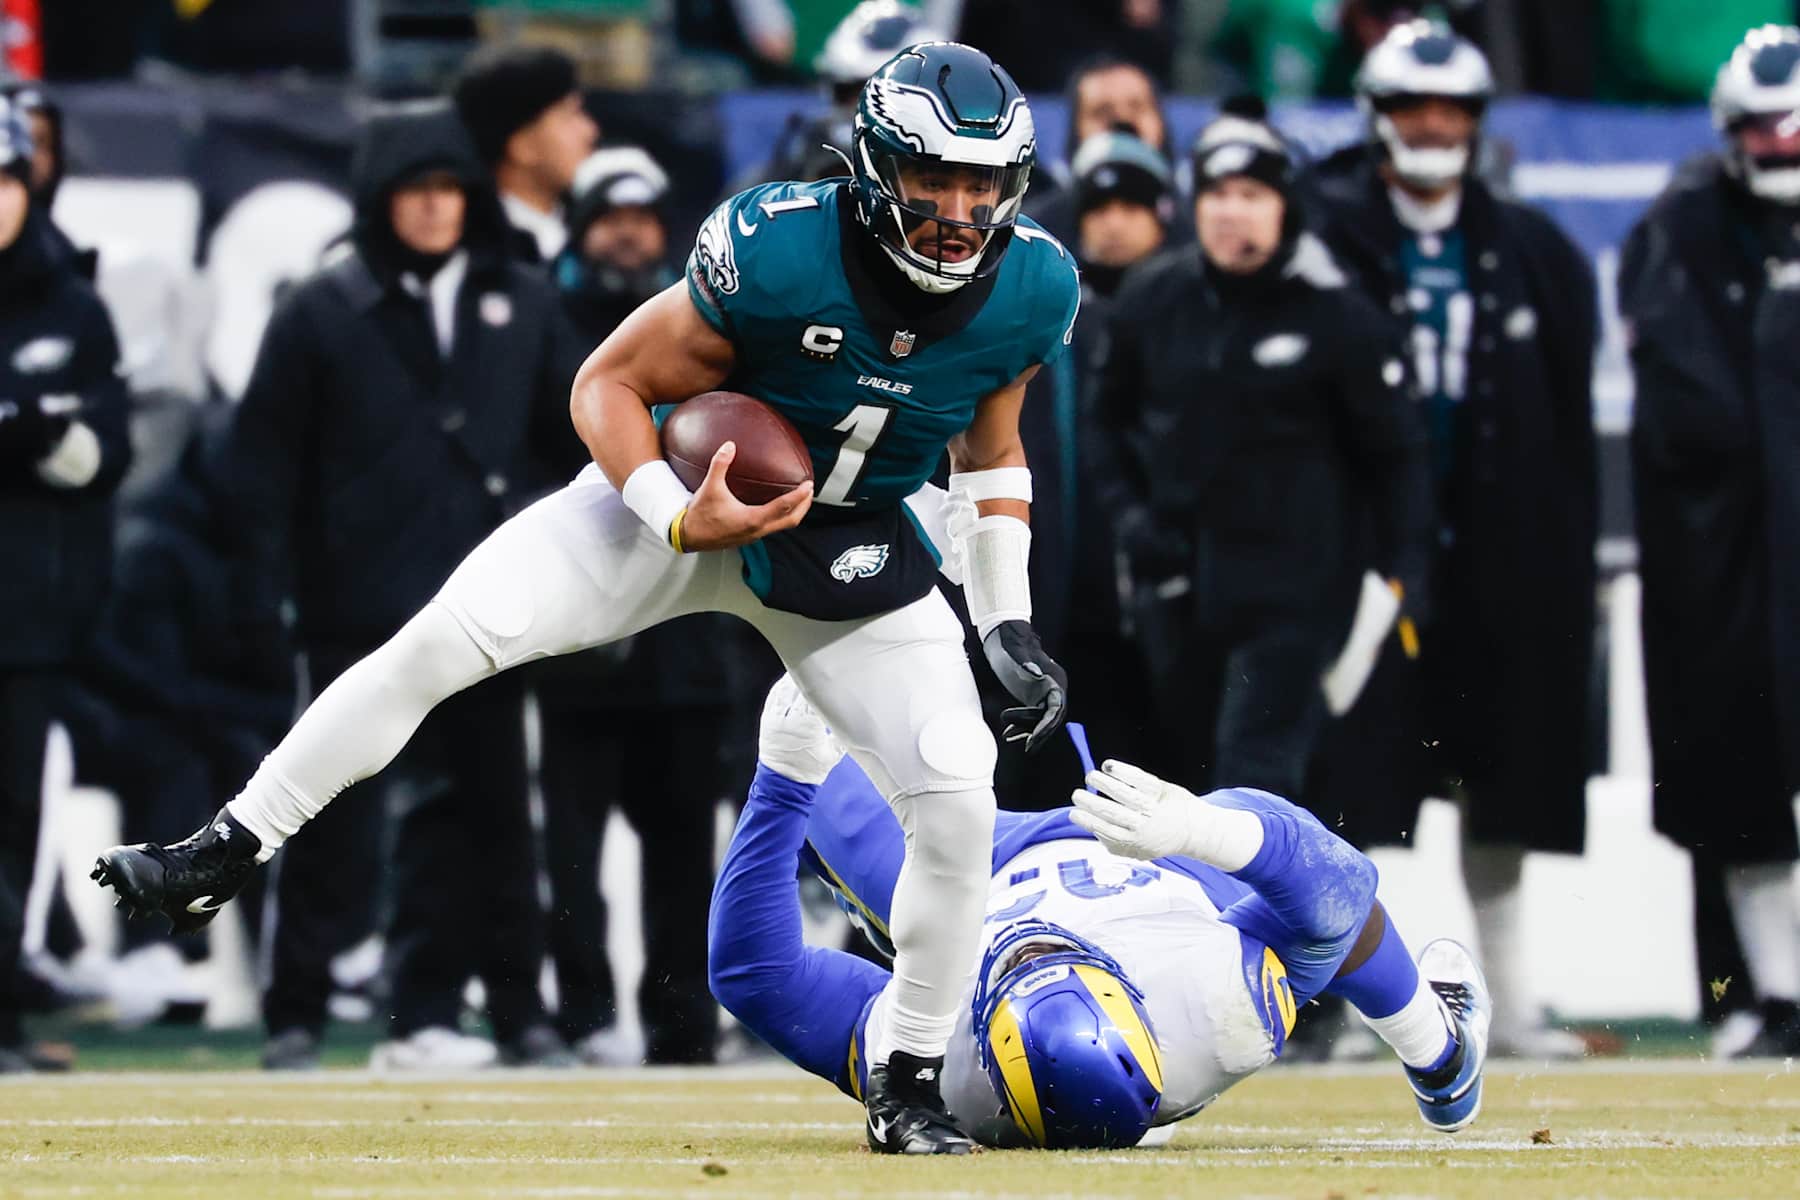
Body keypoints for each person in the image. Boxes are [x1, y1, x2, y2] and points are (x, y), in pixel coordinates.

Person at [95, 42, 1076, 1153]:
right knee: (445, 639)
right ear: (872, 166)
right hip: (674, 496)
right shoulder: (782, 243)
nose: (956, 209)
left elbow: (994, 459)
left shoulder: (1034, 284)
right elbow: (606, 383)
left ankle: (906, 1082)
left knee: (957, 791)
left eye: (979, 184)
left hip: (846, 544)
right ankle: (225, 848)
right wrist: (672, 511)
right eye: (931, 178)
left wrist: (1005, 619)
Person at [185, 100, 587, 1071]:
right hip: (353, 611)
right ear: (379, 199)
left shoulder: (524, 300)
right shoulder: (318, 308)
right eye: (416, 189)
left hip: (492, 610)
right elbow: (260, 473)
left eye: (451, 187)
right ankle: (297, 1014)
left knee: (495, 821)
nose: (437, 208)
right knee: (328, 818)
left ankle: (514, 1013)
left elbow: (572, 445)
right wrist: (261, 599)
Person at [711, 675, 1493, 1148]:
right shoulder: (1222, 1012)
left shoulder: (940, 1072)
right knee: (1263, 831)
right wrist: (1198, 831)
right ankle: (1439, 1048)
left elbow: (754, 973)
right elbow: (1339, 886)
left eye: (1018, 964)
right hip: (1169, 887)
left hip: (980, 878)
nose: (1031, 942)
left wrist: (781, 777)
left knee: (812, 736)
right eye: (1057, 955)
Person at [1304, 21, 1598, 1059]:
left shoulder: (1537, 251)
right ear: (1377, 116)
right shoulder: (1323, 233)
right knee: (1357, 782)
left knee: (1504, 777)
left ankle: (1511, 1002)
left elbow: (1568, 425)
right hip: (1365, 554)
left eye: (1453, 110)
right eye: (1415, 108)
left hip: (1502, 555)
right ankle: (1354, 1003)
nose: (1434, 128)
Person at [1089, 98, 1431, 800]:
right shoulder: (1155, 299)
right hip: (1178, 587)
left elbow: (1398, 458)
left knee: (1255, 781)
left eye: (1251, 194)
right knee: (1176, 782)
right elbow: (1103, 423)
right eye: (1216, 193)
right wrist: (1131, 519)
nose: (1230, 211)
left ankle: (1259, 912)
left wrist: (1402, 576)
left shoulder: (1337, 313)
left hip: (1293, 598)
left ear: (1284, 206)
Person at [1620, 24, 1800, 1057]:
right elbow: (1695, 418)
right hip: (1729, 556)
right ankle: (1772, 993)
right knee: (1741, 772)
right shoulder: (1685, 228)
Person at [540, 146, 732, 1065]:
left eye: (645, 216)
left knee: (684, 851)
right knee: (571, 851)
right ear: (578, 223)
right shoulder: (545, 322)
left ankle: (683, 1024)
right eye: (610, 216)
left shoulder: (710, 324)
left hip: (687, 634)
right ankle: (579, 1019)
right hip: (581, 624)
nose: (628, 233)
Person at [0, 98, 132, 1072]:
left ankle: (2, 1015)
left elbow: (103, 454)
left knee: (13, 815)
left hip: (24, 618)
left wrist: (41, 433)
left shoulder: (69, 303)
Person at [453, 44, 599, 264]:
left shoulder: (593, 237)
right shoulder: (468, 254)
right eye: (569, 116)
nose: (589, 131)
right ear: (521, 146)